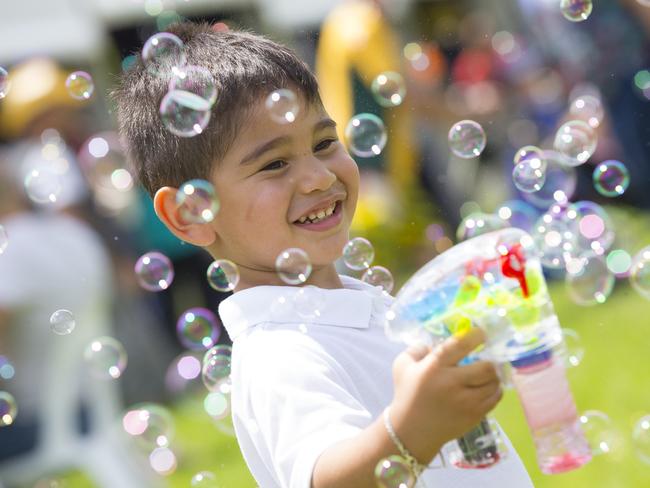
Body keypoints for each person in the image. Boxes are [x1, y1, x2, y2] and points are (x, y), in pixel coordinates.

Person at [112, 21, 533, 487]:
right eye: (274, 164)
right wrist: (413, 428)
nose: (317, 177)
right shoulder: (281, 353)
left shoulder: (355, 308)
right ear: (191, 212)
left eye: (324, 143)